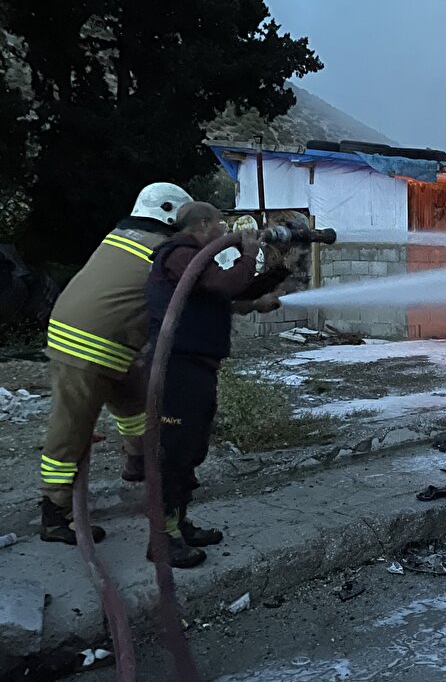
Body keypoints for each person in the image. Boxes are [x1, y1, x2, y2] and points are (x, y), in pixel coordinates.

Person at [39, 182, 194, 544]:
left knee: (136, 403)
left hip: (107, 342)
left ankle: (137, 462)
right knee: (71, 428)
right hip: (84, 345)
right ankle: (54, 513)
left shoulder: (123, 235)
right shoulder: (162, 247)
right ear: (171, 213)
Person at [145, 202, 287, 567]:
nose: (225, 231)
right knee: (172, 453)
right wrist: (249, 252)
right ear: (204, 223)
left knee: (190, 449)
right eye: (221, 225)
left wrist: (270, 277)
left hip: (197, 367)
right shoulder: (179, 254)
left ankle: (179, 524)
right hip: (176, 368)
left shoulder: (195, 260)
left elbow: (226, 294)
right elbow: (224, 285)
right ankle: (163, 538)